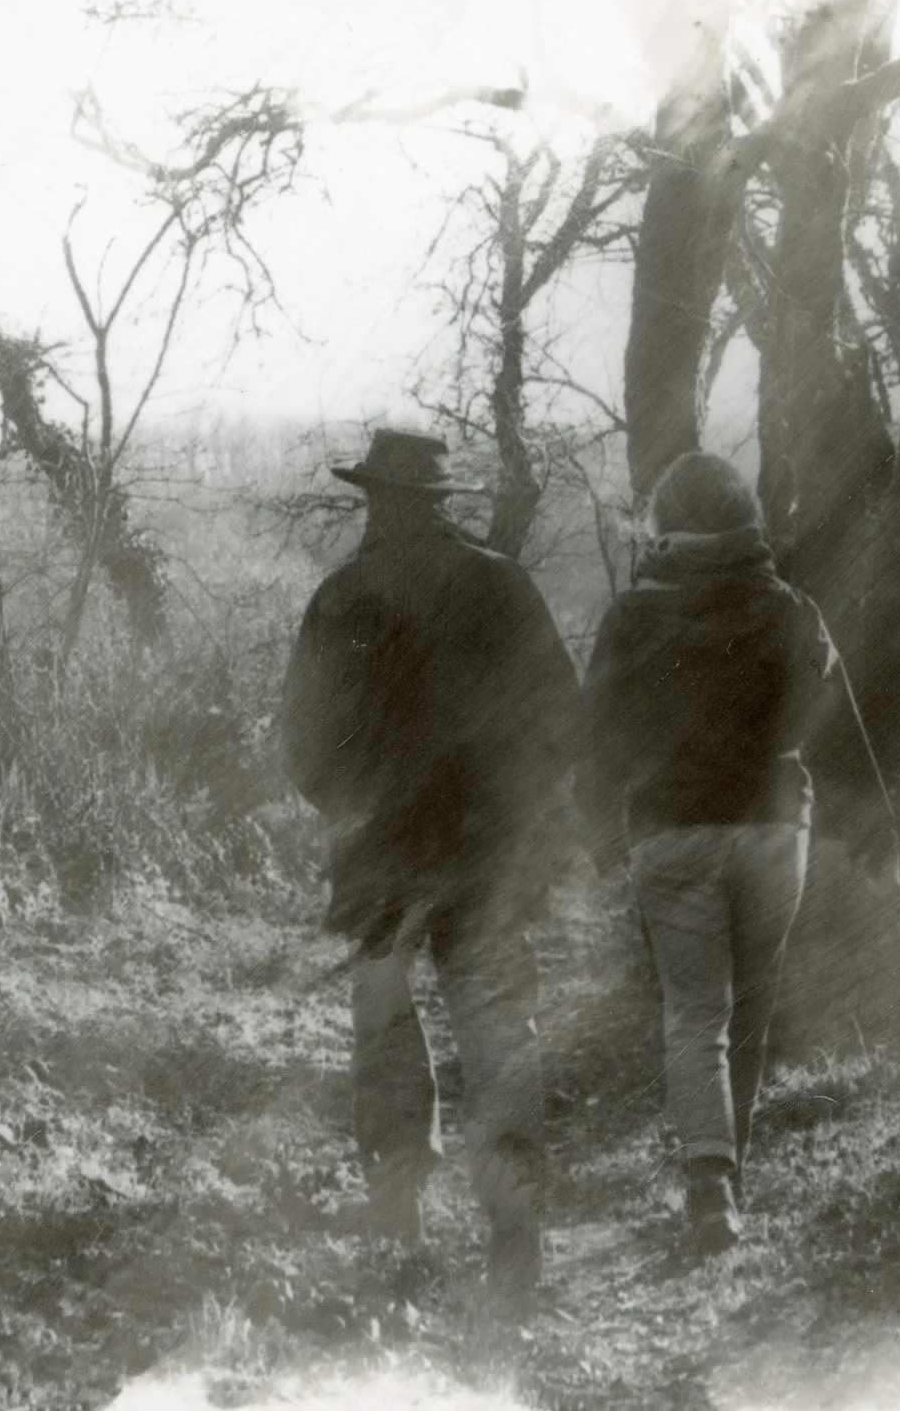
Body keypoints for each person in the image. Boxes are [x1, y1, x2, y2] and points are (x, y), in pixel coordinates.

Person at [278, 429, 582, 1308]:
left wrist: (355, 802)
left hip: (377, 855)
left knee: (385, 1035)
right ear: (440, 501)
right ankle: (518, 1245)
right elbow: (562, 715)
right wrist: (513, 808)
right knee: (495, 1035)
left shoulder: (340, 598)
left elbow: (300, 744)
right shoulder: (503, 585)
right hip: (486, 849)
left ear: (375, 499)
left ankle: (397, 1234)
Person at [578, 451, 837, 1257]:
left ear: (665, 524)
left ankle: (712, 1185)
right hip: (770, 830)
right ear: (744, 518)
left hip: (671, 833)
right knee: (751, 1010)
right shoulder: (791, 608)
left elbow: (595, 742)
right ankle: (731, 1176)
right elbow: (817, 715)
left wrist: (597, 834)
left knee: (696, 1014)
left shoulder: (630, 618)